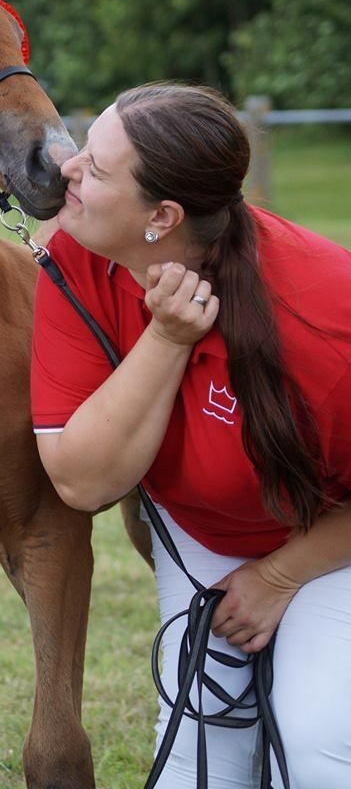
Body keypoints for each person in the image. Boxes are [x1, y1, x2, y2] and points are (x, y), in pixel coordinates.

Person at [30, 82, 351, 789]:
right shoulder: (80, 257)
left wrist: (278, 576)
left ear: (163, 216)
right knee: (198, 741)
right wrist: (168, 337)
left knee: (315, 743)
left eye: (97, 167)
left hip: (330, 540)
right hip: (206, 531)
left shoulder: (330, 317)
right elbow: (82, 480)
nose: (67, 170)